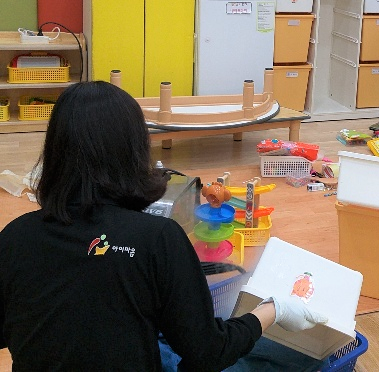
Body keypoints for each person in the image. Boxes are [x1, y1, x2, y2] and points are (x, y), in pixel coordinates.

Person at [0, 81, 327, 371]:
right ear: (133, 151)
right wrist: (272, 310)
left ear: (54, 152)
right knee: (296, 355)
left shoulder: (15, 236)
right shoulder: (157, 238)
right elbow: (209, 353)